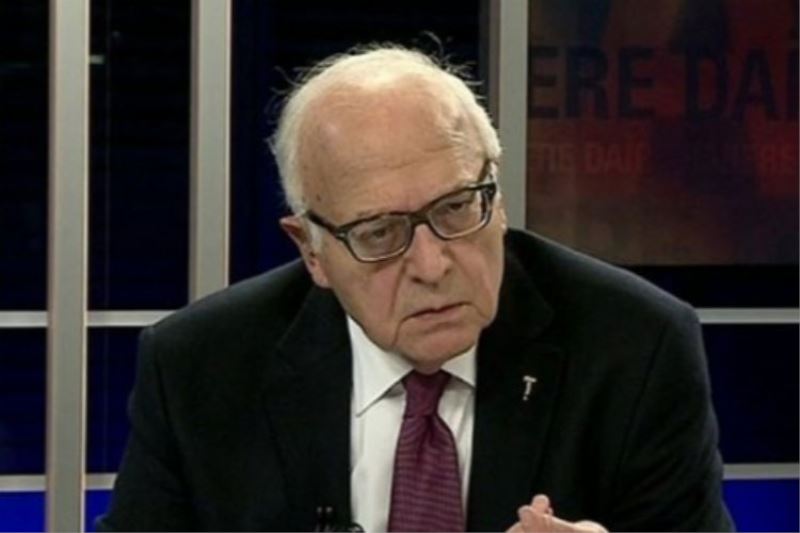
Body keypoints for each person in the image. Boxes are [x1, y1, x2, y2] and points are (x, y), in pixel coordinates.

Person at [98, 45, 733, 532]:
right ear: (312, 251)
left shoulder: (634, 347)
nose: (432, 265)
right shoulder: (201, 366)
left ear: (497, 199)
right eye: (379, 233)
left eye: (457, 208)